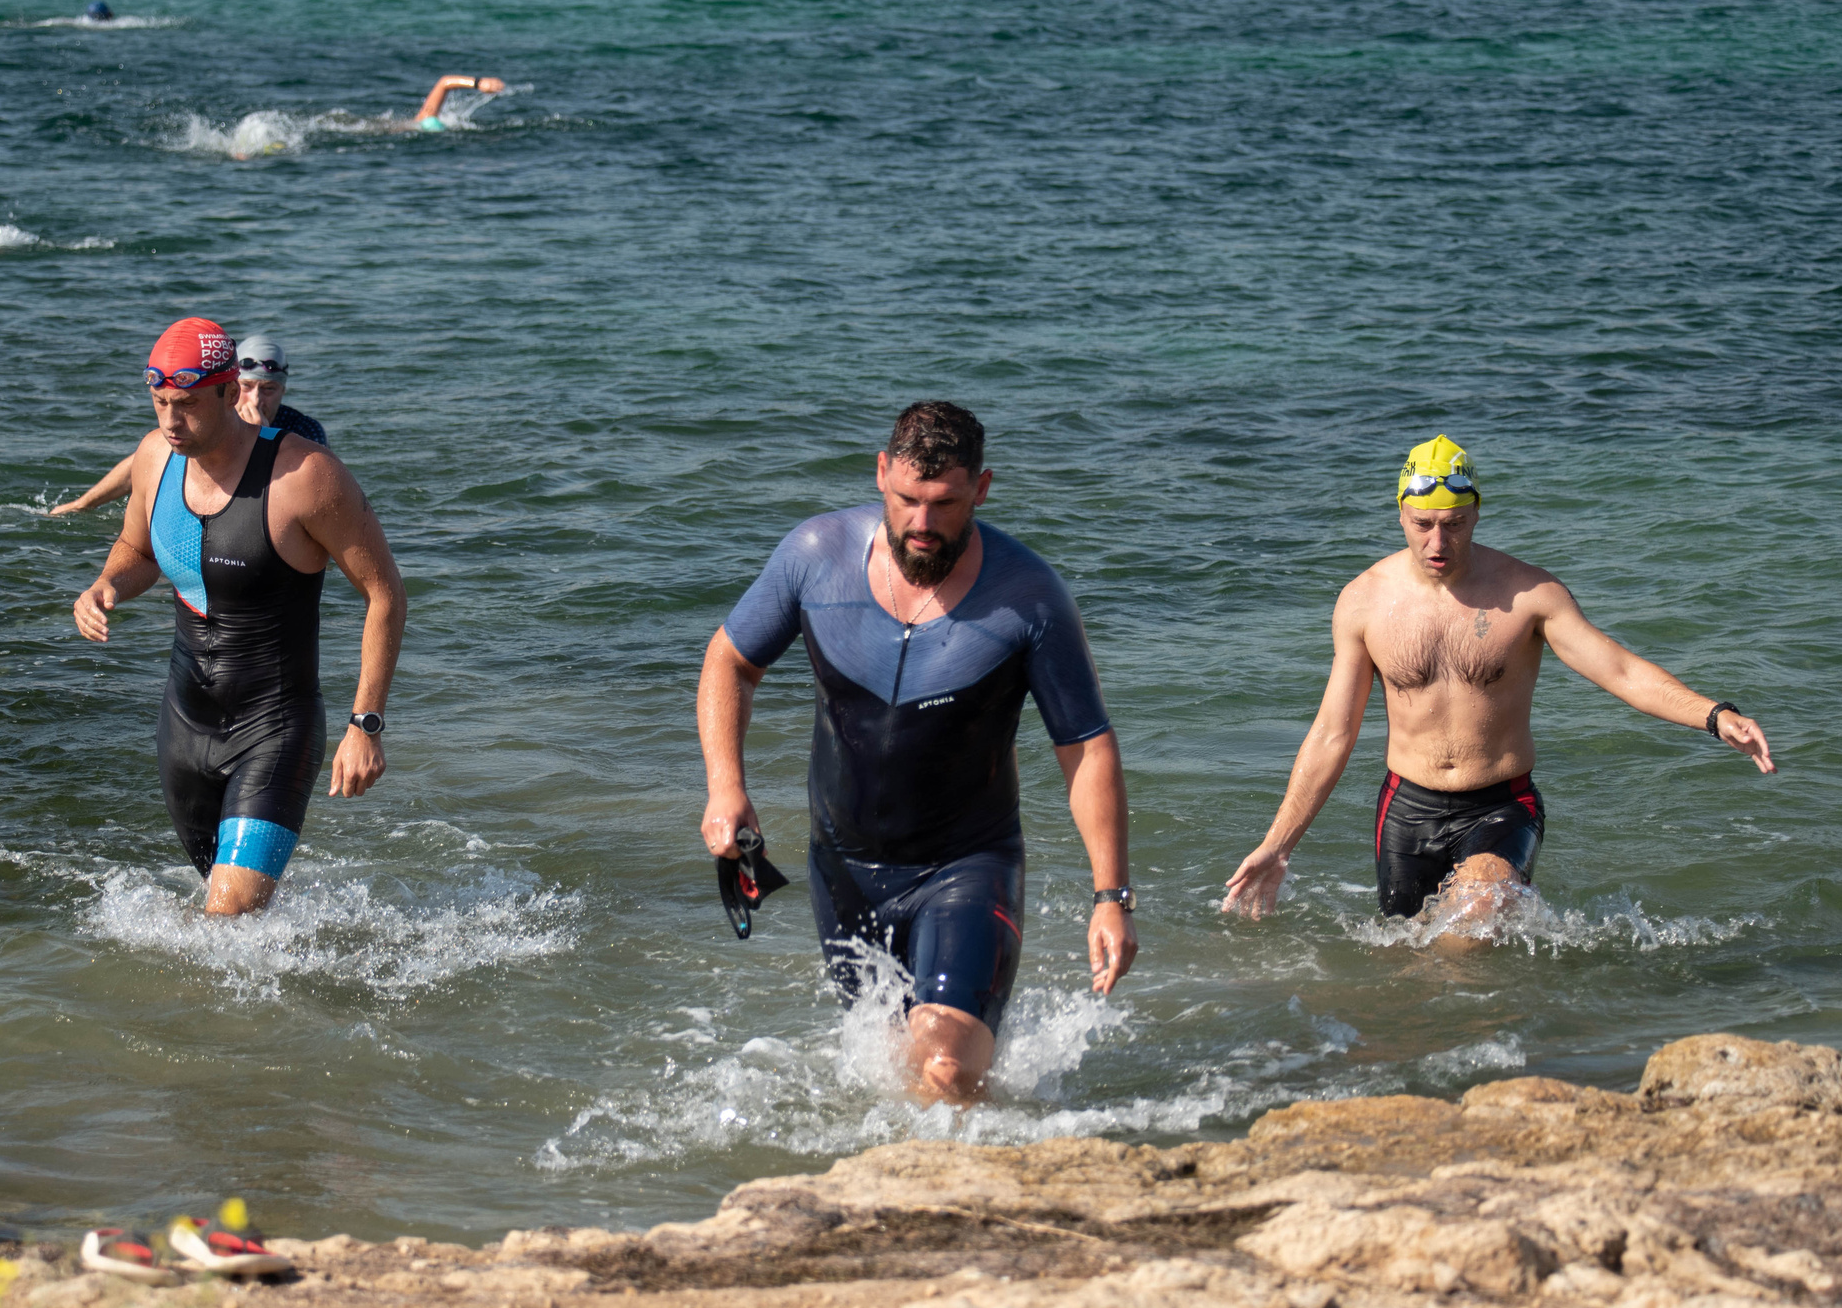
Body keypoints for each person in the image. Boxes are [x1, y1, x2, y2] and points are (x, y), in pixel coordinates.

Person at [696, 401, 1137, 1105]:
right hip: (841, 869)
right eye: (906, 500)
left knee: (944, 1059)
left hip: (967, 863)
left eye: (944, 503)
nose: (922, 525)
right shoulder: (817, 557)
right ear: (880, 475)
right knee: (894, 1069)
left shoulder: (1029, 599)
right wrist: (726, 786)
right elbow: (730, 662)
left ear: (981, 490)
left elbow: (1084, 748)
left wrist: (1111, 895)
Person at [1222, 435, 1775, 940]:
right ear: (1400, 515)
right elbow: (1332, 734)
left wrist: (1713, 713)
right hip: (1405, 810)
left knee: (1466, 935)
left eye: (1455, 523)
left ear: (1477, 513)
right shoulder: (1363, 602)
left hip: (1501, 804)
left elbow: (1619, 670)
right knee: (1404, 965)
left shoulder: (1529, 594)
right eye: (1422, 523)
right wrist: (1278, 845)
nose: (1438, 541)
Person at [71, 317, 405, 915]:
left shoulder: (306, 477)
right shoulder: (154, 459)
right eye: (160, 403)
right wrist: (105, 585)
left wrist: (367, 724)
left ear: (231, 391)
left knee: (225, 921)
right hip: (183, 727)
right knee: (229, 923)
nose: (171, 421)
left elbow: (385, 594)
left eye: (188, 405)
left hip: (274, 727)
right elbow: (139, 550)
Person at [52, 333, 324, 516]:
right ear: (231, 388)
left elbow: (312, 500)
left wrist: (262, 438)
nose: (255, 399)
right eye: (247, 386)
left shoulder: (305, 431)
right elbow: (147, 461)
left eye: (269, 389)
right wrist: (82, 504)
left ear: (283, 391)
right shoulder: (212, 418)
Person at [411, 74, 505, 131]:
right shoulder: (423, 121)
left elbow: (444, 83)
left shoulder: (423, 121)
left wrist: (479, 83)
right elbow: (444, 83)